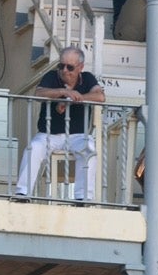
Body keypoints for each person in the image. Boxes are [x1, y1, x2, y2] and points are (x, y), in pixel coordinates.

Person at [14, 48, 105, 204]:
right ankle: (22, 193)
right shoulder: (51, 76)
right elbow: (39, 94)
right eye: (61, 66)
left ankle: (83, 197)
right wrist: (63, 92)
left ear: (80, 67)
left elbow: (100, 96)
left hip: (77, 135)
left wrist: (77, 97)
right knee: (34, 148)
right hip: (49, 134)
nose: (64, 70)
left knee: (89, 150)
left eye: (70, 67)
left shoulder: (88, 78)